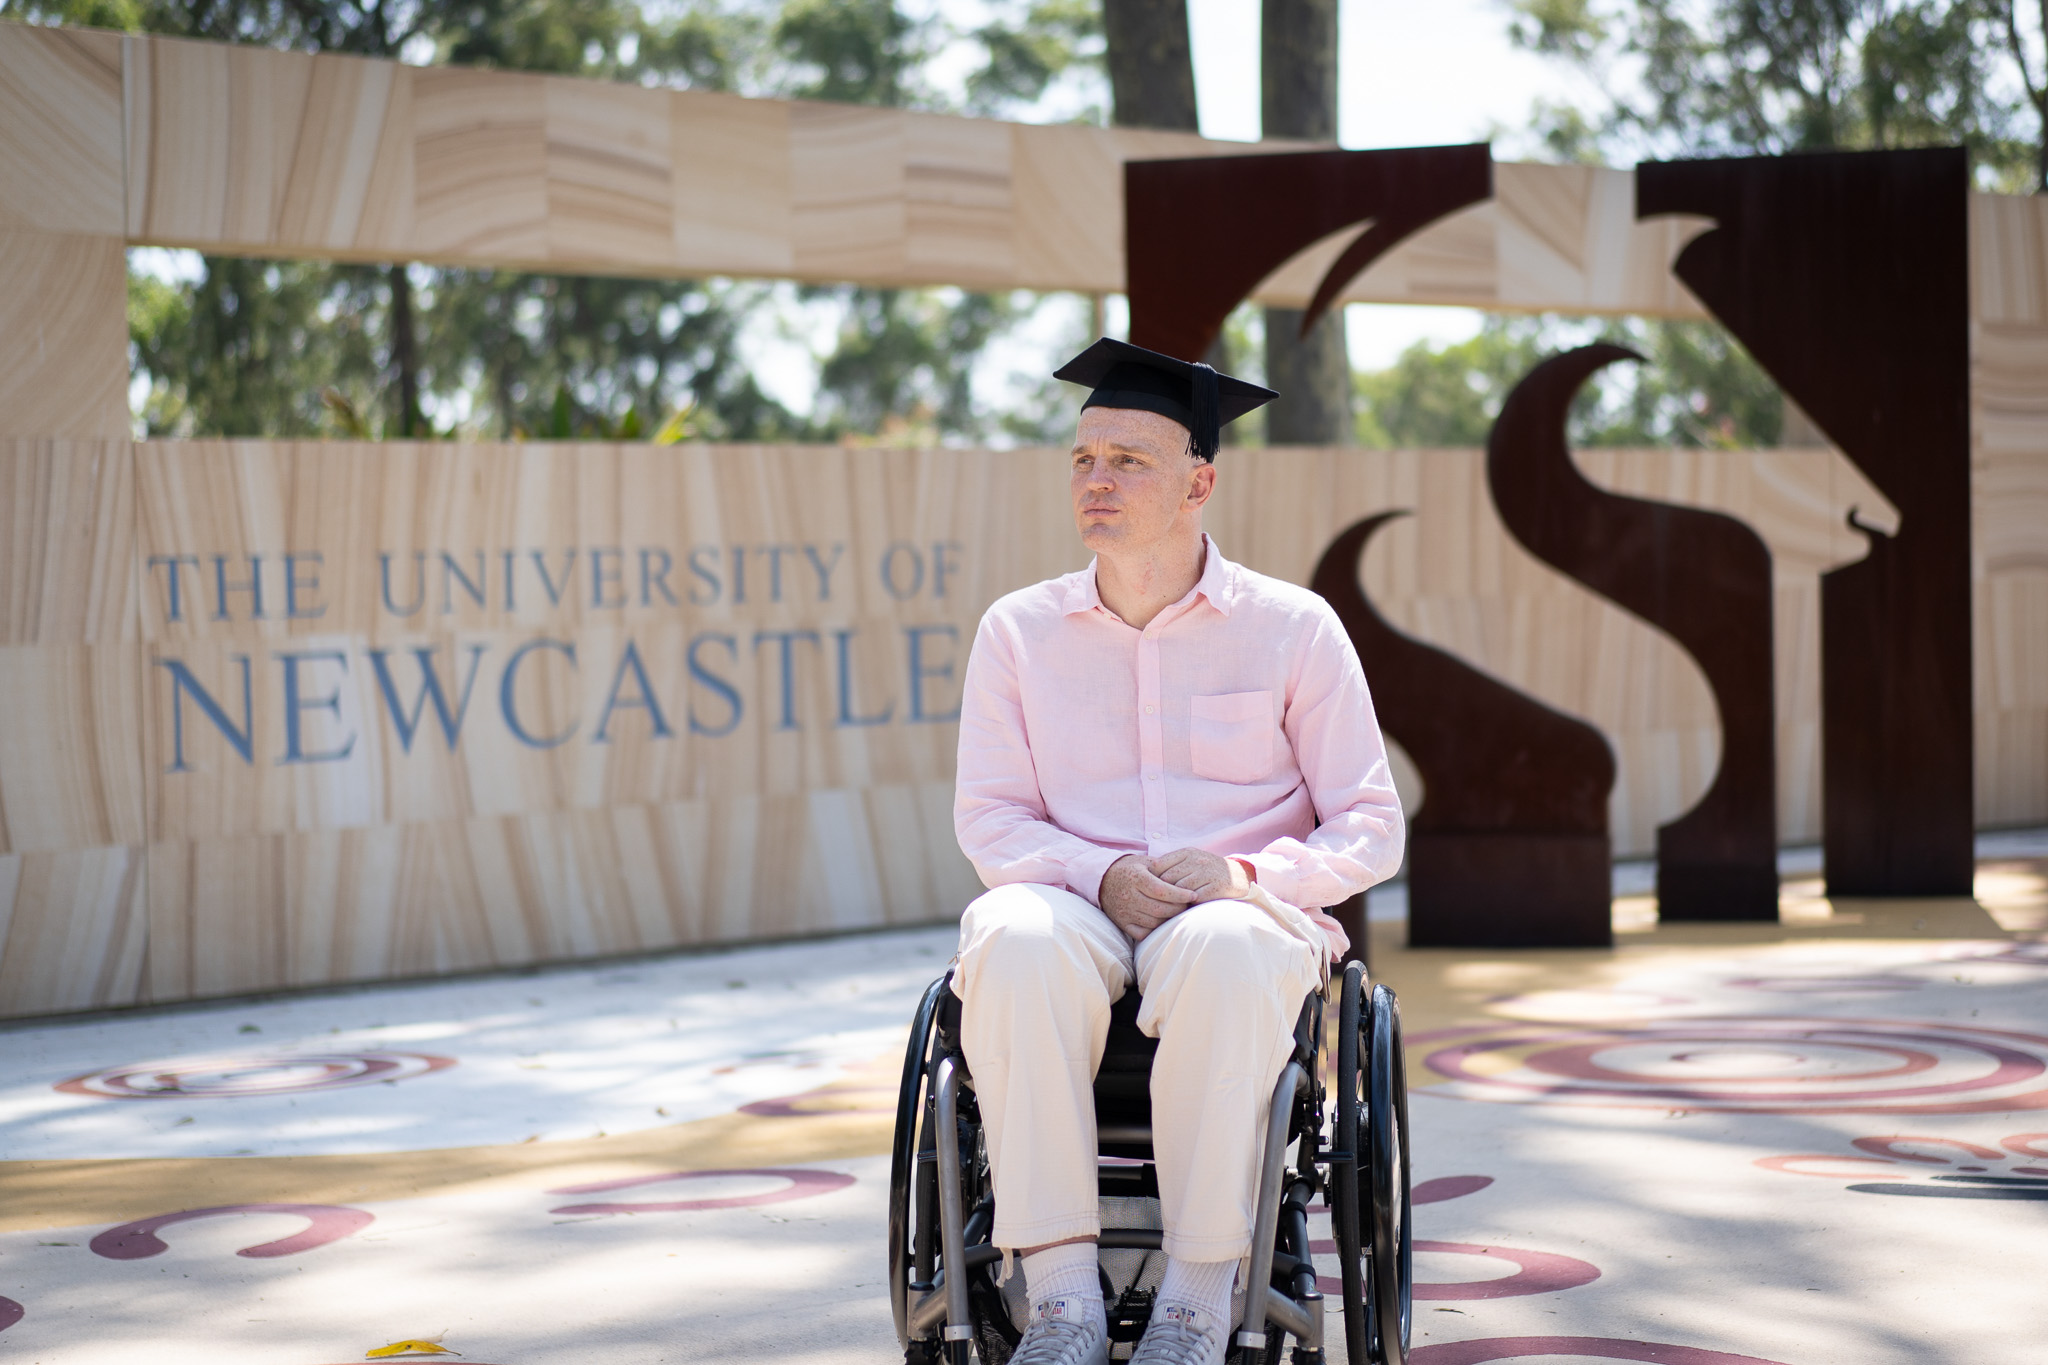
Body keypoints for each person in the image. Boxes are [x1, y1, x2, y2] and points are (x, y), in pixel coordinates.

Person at [950, 338, 1406, 1365]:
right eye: (1082, 460)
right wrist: (1097, 873)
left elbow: (1370, 828)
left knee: (1230, 948)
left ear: (1199, 481)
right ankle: (1061, 1305)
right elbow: (989, 820)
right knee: (1008, 933)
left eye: (1127, 461)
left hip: (1229, 916)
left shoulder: (1293, 629)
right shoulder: (1017, 633)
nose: (1096, 481)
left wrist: (1243, 876)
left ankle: (1195, 1306)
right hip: (1077, 905)